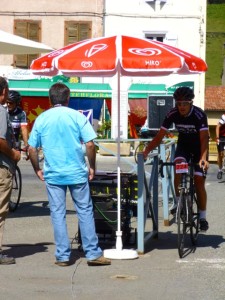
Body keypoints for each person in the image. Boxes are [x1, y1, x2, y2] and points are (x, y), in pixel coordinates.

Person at [28, 83, 111, 267]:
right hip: (77, 172)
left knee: (57, 213)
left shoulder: (42, 118)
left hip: (53, 173)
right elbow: (90, 145)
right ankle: (93, 253)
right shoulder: (77, 116)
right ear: (68, 98)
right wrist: (92, 167)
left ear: (50, 99)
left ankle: (63, 256)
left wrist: (37, 169)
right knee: (85, 211)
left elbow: (31, 148)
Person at [143, 86, 209, 231]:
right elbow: (160, 136)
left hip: (199, 149)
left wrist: (203, 157)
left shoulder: (199, 115)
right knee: (178, 169)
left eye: (185, 103)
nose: (181, 107)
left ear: (191, 103)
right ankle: (179, 204)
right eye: (179, 104)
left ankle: (203, 217)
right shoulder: (172, 114)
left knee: (198, 180)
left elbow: (204, 137)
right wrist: (146, 151)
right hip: (183, 147)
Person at [0, 77, 21, 264]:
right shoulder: (0, 111)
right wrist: (13, 154)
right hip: (1, 166)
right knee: (0, 211)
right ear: (4, 92)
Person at [215, 114, 225, 179]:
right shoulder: (224, 117)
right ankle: (220, 170)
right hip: (221, 137)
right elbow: (217, 127)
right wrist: (217, 138)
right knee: (220, 155)